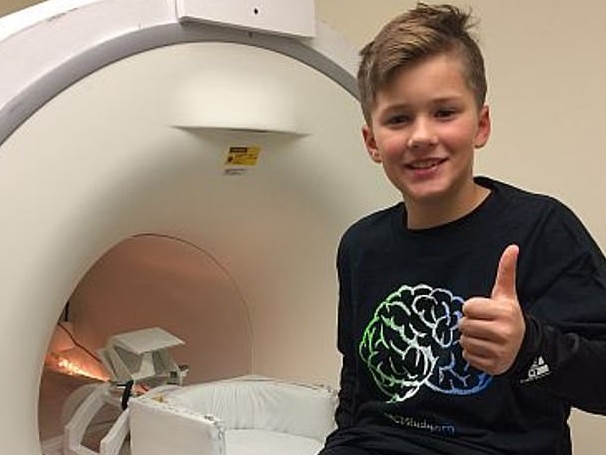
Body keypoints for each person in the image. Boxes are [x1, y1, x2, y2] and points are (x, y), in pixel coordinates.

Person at [319, 3, 606, 455]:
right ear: (372, 142)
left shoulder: (541, 229)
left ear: (481, 124)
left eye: (444, 112)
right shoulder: (360, 246)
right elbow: (356, 388)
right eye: (398, 119)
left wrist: (529, 349)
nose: (420, 136)